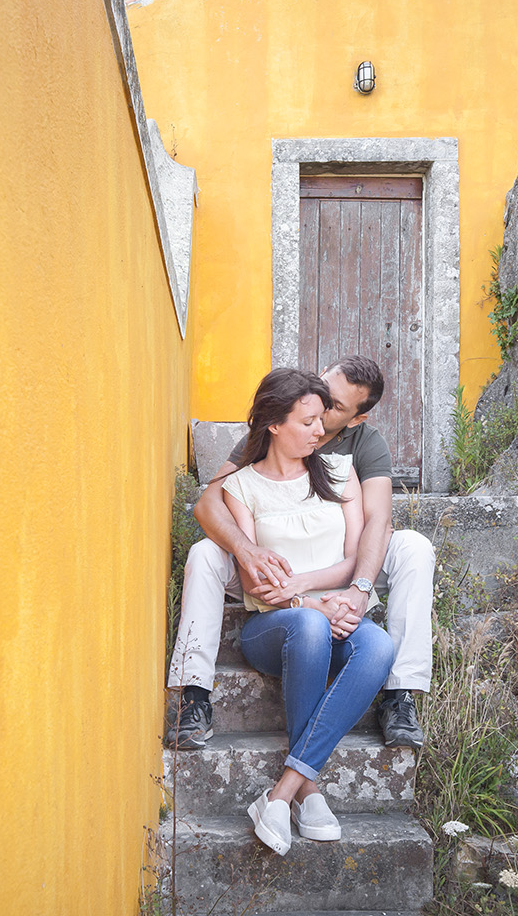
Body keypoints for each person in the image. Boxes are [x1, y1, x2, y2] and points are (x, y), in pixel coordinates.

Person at [167, 355, 434, 751]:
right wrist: (247, 550)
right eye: (323, 390)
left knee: (415, 546)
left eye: (335, 407)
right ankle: (194, 695)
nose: (322, 407)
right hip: (270, 557)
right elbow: (209, 503)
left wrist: (359, 588)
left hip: (347, 546)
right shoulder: (285, 418)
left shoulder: (362, 445)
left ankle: (399, 695)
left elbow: (378, 521)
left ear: (356, 419)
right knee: (206, 553)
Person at [209, 368, 396, 854]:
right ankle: (306, 790)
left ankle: (287, 790)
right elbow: (257, 584)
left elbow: (356, 556)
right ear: (274, 423)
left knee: (378, 646)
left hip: (336, 610)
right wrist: (312, 604)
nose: (321, 431)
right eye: (309, 421)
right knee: (310, 625)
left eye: (323, 420)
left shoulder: (337, 471)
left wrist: (334, 595)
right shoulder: (242, 487)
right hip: (274, 629)